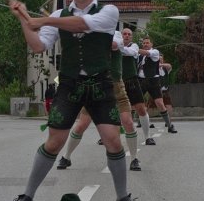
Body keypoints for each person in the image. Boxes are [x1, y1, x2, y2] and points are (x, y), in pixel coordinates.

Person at [8, 0, 144, 201]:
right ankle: (27, 196)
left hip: (101, 83)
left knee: (113, 139)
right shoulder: (61, 13)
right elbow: (39, 45)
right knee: (54, 142)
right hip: (70, 84)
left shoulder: (108, 12)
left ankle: (122, 198)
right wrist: (24, 20)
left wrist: (44, 19)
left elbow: (83, 24)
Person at [57, 30, 143, 172]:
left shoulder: (115, 34)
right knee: (81, 124)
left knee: (127, 121)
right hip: (95, 86)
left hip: (115, 85)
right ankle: (66, 157)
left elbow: (114, 45)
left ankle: (134, 159)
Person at [120, 28, 158, 146]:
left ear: (131, 37)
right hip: (117, 81)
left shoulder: (134, 46)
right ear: (121, 36)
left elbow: (129, 52)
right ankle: (109, 135)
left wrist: (117, 48)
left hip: (132, 81)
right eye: (124, 34)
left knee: (141, 109)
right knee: (113, 110)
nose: (126, 36)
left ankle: (148, 137)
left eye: (129, 34)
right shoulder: (114, 45)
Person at [139, 37, 173, 131]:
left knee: (160, 103)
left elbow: (147, 53)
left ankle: (169, 125)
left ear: (151, 44)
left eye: (147, 43)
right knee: (137, 103)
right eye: (144, 43)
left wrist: (134, 49)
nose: (145, 44)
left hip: (153, 81)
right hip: (141, 80)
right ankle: (140, 122)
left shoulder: (155, 52)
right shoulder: (139, 56)